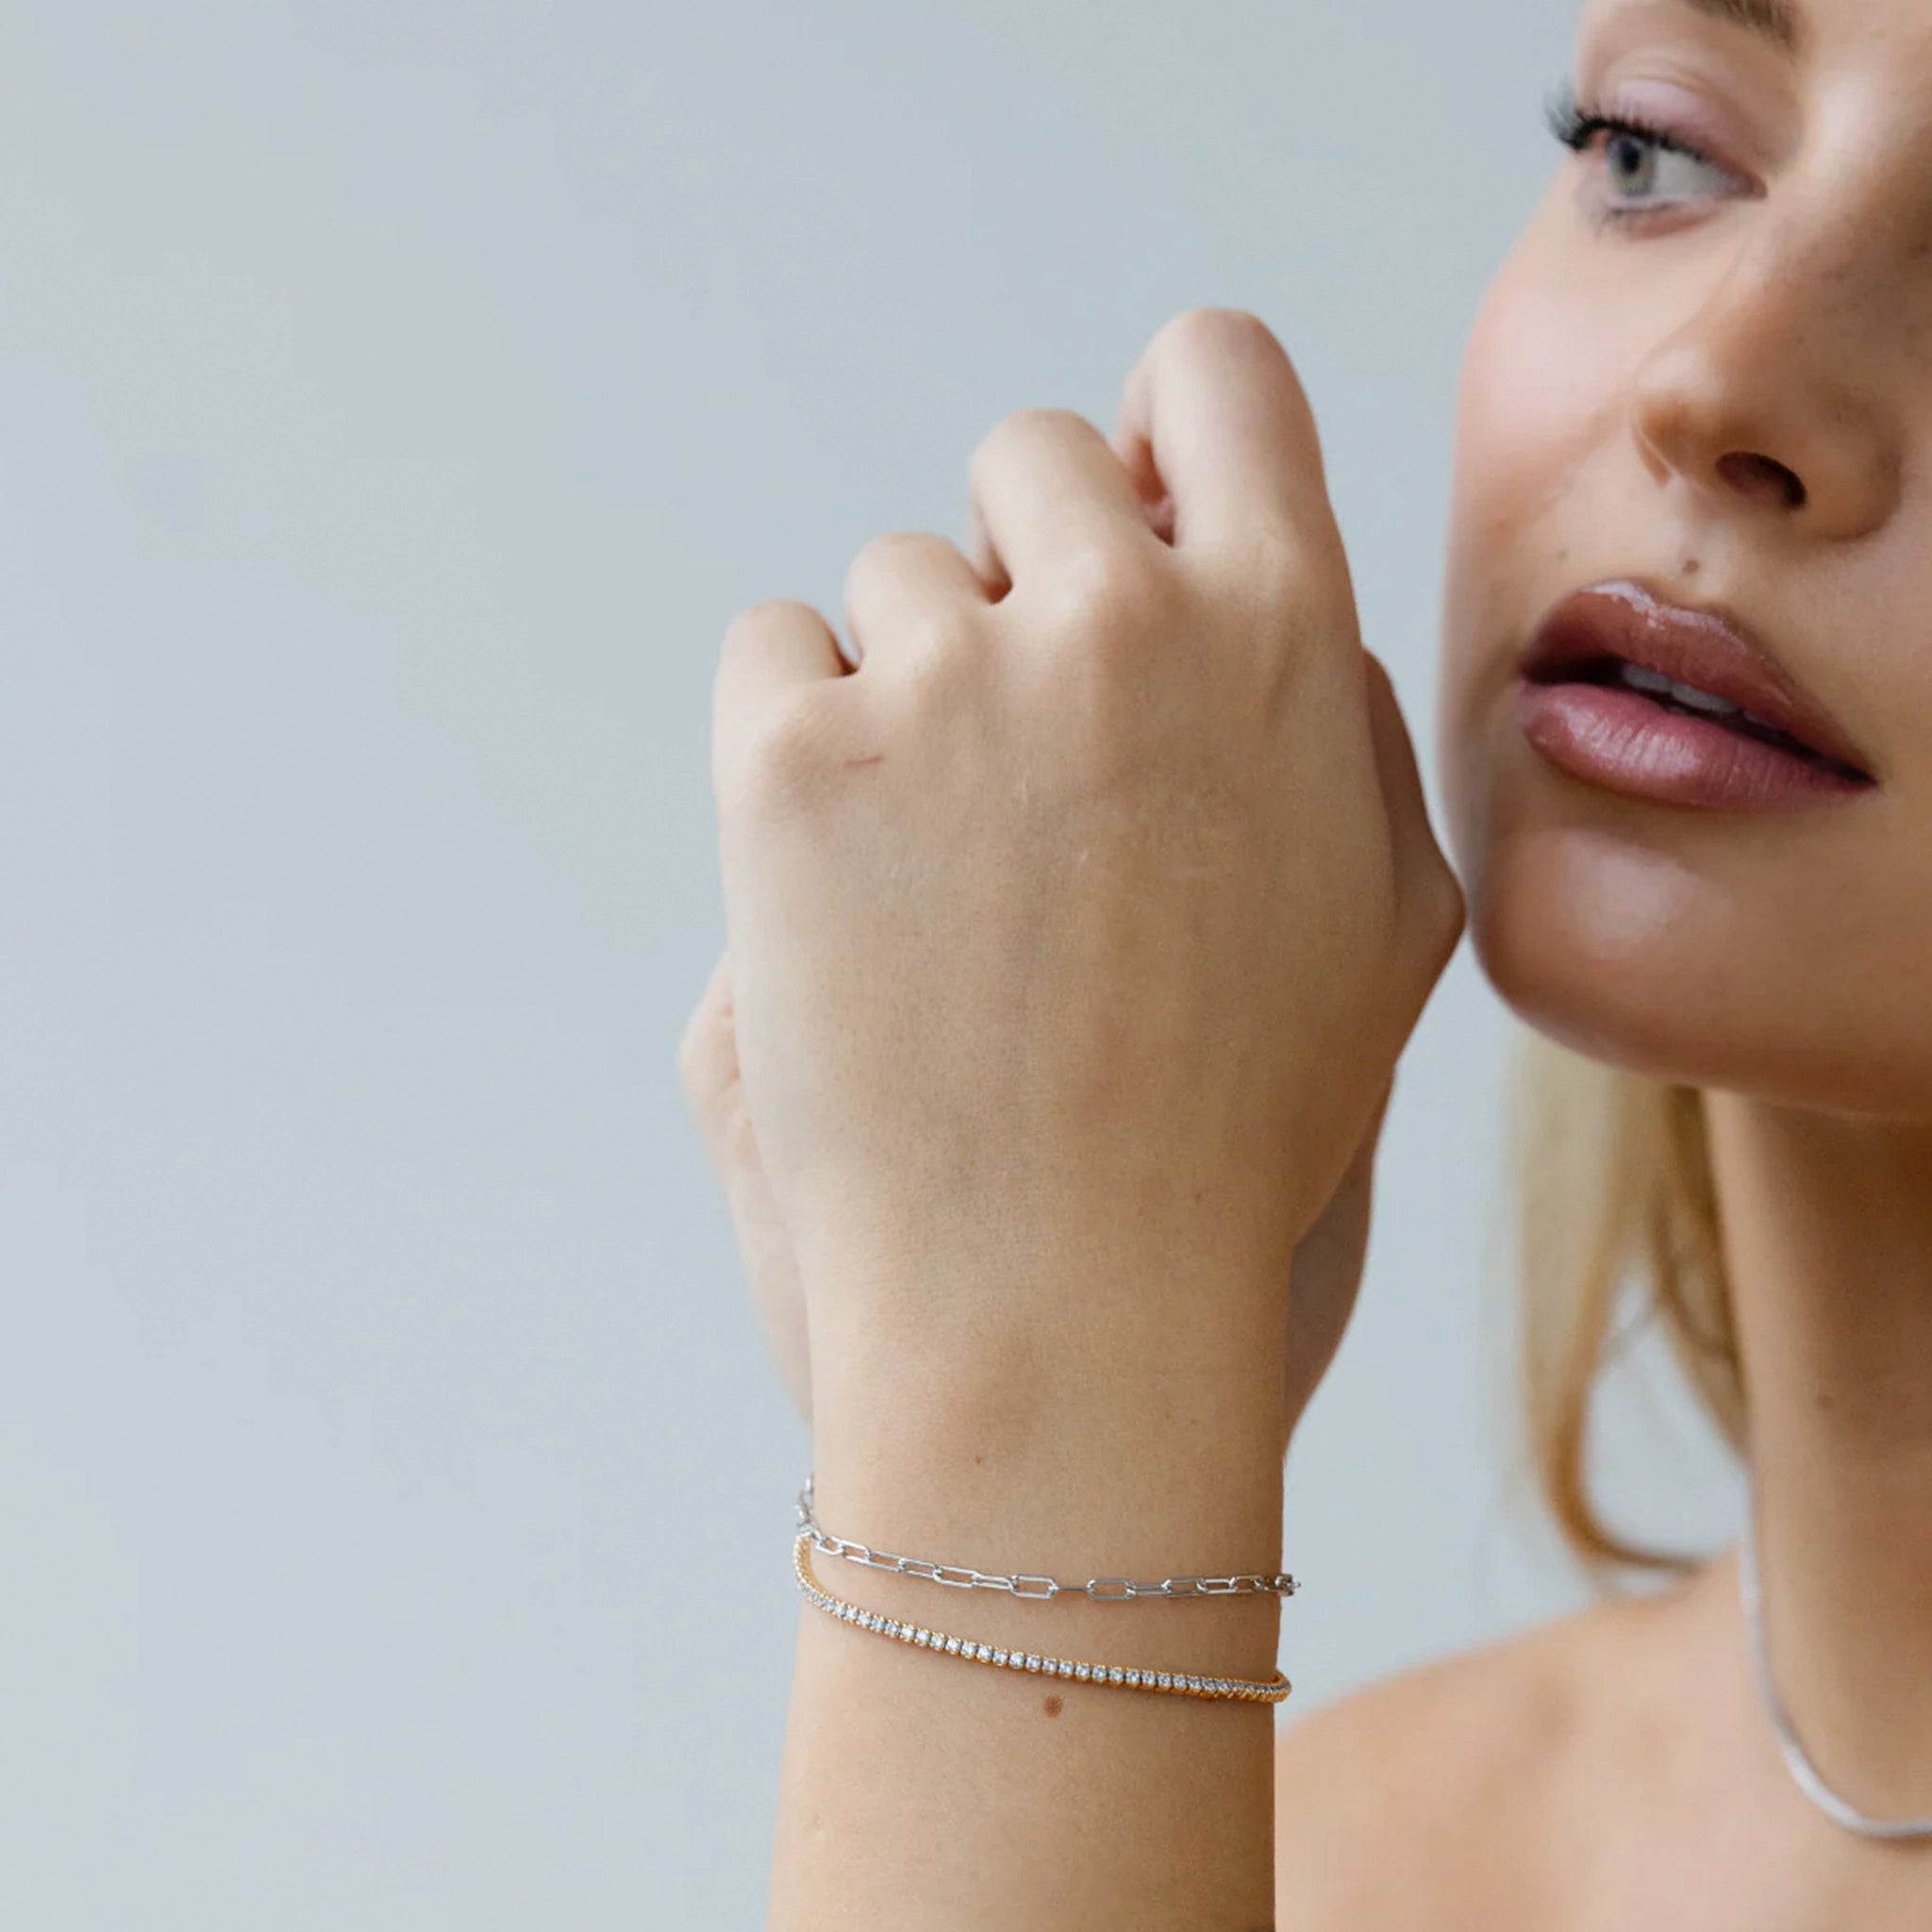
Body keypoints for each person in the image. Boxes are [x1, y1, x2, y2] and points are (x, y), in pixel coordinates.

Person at [678, 0, 1932, 1921]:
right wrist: (1022, 1355)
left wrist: (1034, 1418)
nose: (1718, 377)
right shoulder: (1354, 1861)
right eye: (1653, 145)